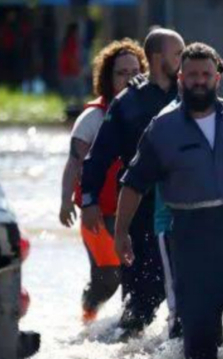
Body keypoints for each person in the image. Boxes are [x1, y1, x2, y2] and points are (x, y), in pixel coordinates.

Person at [115, 42, 223, 359]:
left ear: (217, 77)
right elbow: (133, 184)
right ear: (180, 79)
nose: (199, 81)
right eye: (192, 75)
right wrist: (120, 233)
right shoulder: (162, 128)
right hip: (191, 238)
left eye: (206, 74)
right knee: (200, 339)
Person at [81, 28, 184, 339]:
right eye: (177, 54)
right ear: (157, 58)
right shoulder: (128, 101)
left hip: (181, 208)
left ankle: (182, 357)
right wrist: (88, 200)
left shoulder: (188, 94)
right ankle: (120, 357)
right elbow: (97, 157)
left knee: (185, 290)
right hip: (140, 211)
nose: (182, 60)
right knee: (141, 301)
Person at [59, 39, 147, 324]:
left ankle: (130, 332)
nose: (129, 78)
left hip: (135, 207)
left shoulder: (151, 112)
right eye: (121, 72)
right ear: (107, 78)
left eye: (135, 70)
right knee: (108, 277)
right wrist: (66, 202)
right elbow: (74, 162)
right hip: (98, 209)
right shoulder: (93, 117)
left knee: (139, 272)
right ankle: (88, 318)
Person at [59, 23, 83, 103]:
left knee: (67, 88)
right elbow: (71, 56)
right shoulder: (71, 41)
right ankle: (77, 103)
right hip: (70, 69)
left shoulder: (66, 40)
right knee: (75, 88)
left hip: (65, 68)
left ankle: (69, 102)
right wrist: (75, 67)